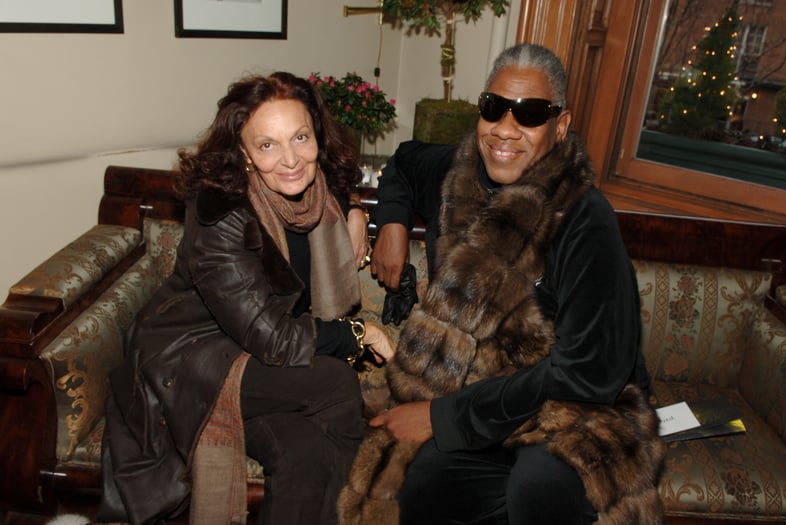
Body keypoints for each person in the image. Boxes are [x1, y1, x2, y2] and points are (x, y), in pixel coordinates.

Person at [364, 44, 664, 524]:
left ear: (560, 126)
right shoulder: (457, 174)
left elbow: (591, 374)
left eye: (530, 114)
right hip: (486, 397)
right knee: (422, 483)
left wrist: (444, 418)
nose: (505, 128)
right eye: (493, 107)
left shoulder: (586, 220)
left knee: (538, 487)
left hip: (576, 409)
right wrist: (393, 225)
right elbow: (402, 162)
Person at [97, 72, 394, 525]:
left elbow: (330, 180)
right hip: (194, 360)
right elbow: (273, 338)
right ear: (243, 153)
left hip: (256, 360)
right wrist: (358, 331)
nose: (291, 159)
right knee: (334, 381)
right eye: (268, 145)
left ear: (317, 135)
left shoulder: (311, 190)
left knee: (303, 449)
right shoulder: (221, 211)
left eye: (300, 137)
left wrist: (355, 209)